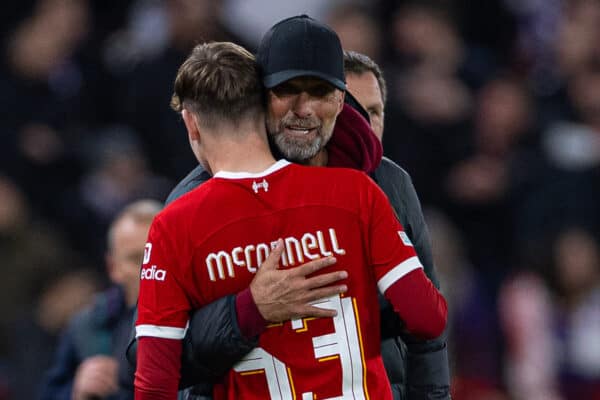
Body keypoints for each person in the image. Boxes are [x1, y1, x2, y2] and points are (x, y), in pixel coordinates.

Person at [126, 15, 451, 400]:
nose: (304, 108)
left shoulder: (384, 183)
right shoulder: (190, 202)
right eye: (287, 90)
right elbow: (150, 359)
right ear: (260, 98)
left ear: (341, 98)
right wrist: (249, 310)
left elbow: (428, 337)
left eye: (320, 92)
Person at [41, 199, 162, 400]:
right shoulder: (86, 326)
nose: (148, 268)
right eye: (136, 258)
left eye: (157, 254)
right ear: (113, 267)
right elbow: (47, 393)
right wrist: (76, 391)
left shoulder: (199, 319)